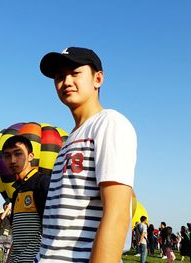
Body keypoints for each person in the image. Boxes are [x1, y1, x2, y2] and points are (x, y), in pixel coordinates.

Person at [35, 47, 137, 262]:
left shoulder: (109, 123)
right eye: (59, 77)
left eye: (75, 73)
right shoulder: (70, 139)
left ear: (97, 79)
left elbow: (117, 214)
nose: (66, 81)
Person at [2, 135, 51, 263]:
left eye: (18, 154)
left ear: (31, 156)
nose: (12, 160)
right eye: (7, 156)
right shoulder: (16, 192)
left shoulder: (42, 183)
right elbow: (17, 237)